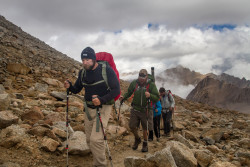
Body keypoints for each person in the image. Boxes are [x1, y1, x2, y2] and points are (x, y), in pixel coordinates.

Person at [64, 47, 120, 167]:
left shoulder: (106, 70)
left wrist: (101, 99)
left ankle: (100, 164)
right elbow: (77, 89)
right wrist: (69, 86)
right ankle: (99, 157)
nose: (85, 62)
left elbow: (116, 90)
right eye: (83, 60)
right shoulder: (83, 72)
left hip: (103, 108)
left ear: (94, 59)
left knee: (96, 140)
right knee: (89, 140)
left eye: (88, 59)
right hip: (89, 110)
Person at [119, 69, 159, 152]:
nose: (141, 78)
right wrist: (124, 97)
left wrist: (150, 95)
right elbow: (129, 92)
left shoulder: (151, 85)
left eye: (143, 77)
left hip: (146, 109)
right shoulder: (134, 83)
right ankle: (137, 139)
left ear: (146, 76)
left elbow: (157, 97)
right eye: (140, 76)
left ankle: (145, 143)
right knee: (132, 126)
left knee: (145, 128)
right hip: (135, 108)